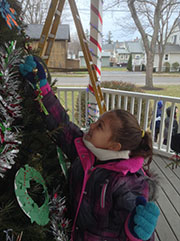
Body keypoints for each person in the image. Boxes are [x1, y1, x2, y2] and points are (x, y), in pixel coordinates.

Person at [19, 56, 160, 241]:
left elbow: (135, 224)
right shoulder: (86, 151)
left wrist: (134, 233)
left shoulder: (128, 183)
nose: (92, 126)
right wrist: (42, 88)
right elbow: (61, 123)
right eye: (97, 121)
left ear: (114, 146)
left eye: (100, 126)